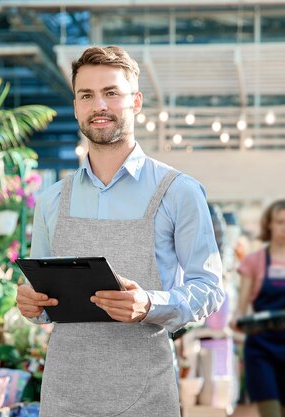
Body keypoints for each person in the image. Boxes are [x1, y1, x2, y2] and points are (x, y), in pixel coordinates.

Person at [15, 46, 225, 416]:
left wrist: (149, 304)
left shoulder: (178, 192)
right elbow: (44, 301)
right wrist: (31, 305)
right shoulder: (51, 201)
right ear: (77, 105)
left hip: (145, 396)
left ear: (136, 101)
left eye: (111, 92)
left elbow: (208, 289)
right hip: (64, 396)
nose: (99, 105)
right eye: (87, 95)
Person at [231, 199, 285, 417]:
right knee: (271, 412)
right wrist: (237, 320)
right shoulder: (254, 261)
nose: (284, 228)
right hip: (262, 347)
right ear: (269, 225)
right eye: (280, 222)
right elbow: (241, 307)